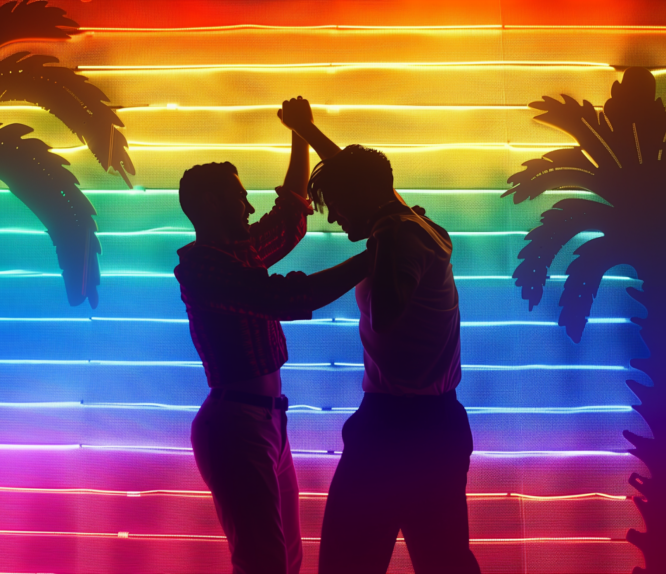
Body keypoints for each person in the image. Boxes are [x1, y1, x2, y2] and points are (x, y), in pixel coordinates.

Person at [278, 101, 480, 574]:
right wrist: (307, 132)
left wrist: (377, 249)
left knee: (350, 561)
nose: (335, 218)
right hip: (435, 424)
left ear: (367, 196)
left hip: (396, 428)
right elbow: (361, 179)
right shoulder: (418, 224)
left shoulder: (397, 235)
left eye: (339, 205)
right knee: (443, 559)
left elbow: (387, 314)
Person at [174, 97, 371, 574]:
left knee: (282, 558)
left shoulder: (240, 253)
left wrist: (300, 133)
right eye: (239, 196)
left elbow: (290, 218)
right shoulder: (202, 269)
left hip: (264, 424)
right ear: (210, 204)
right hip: (237, 428)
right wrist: (372, 256)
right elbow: (282, 297)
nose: (249, 204)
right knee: (264, 561)